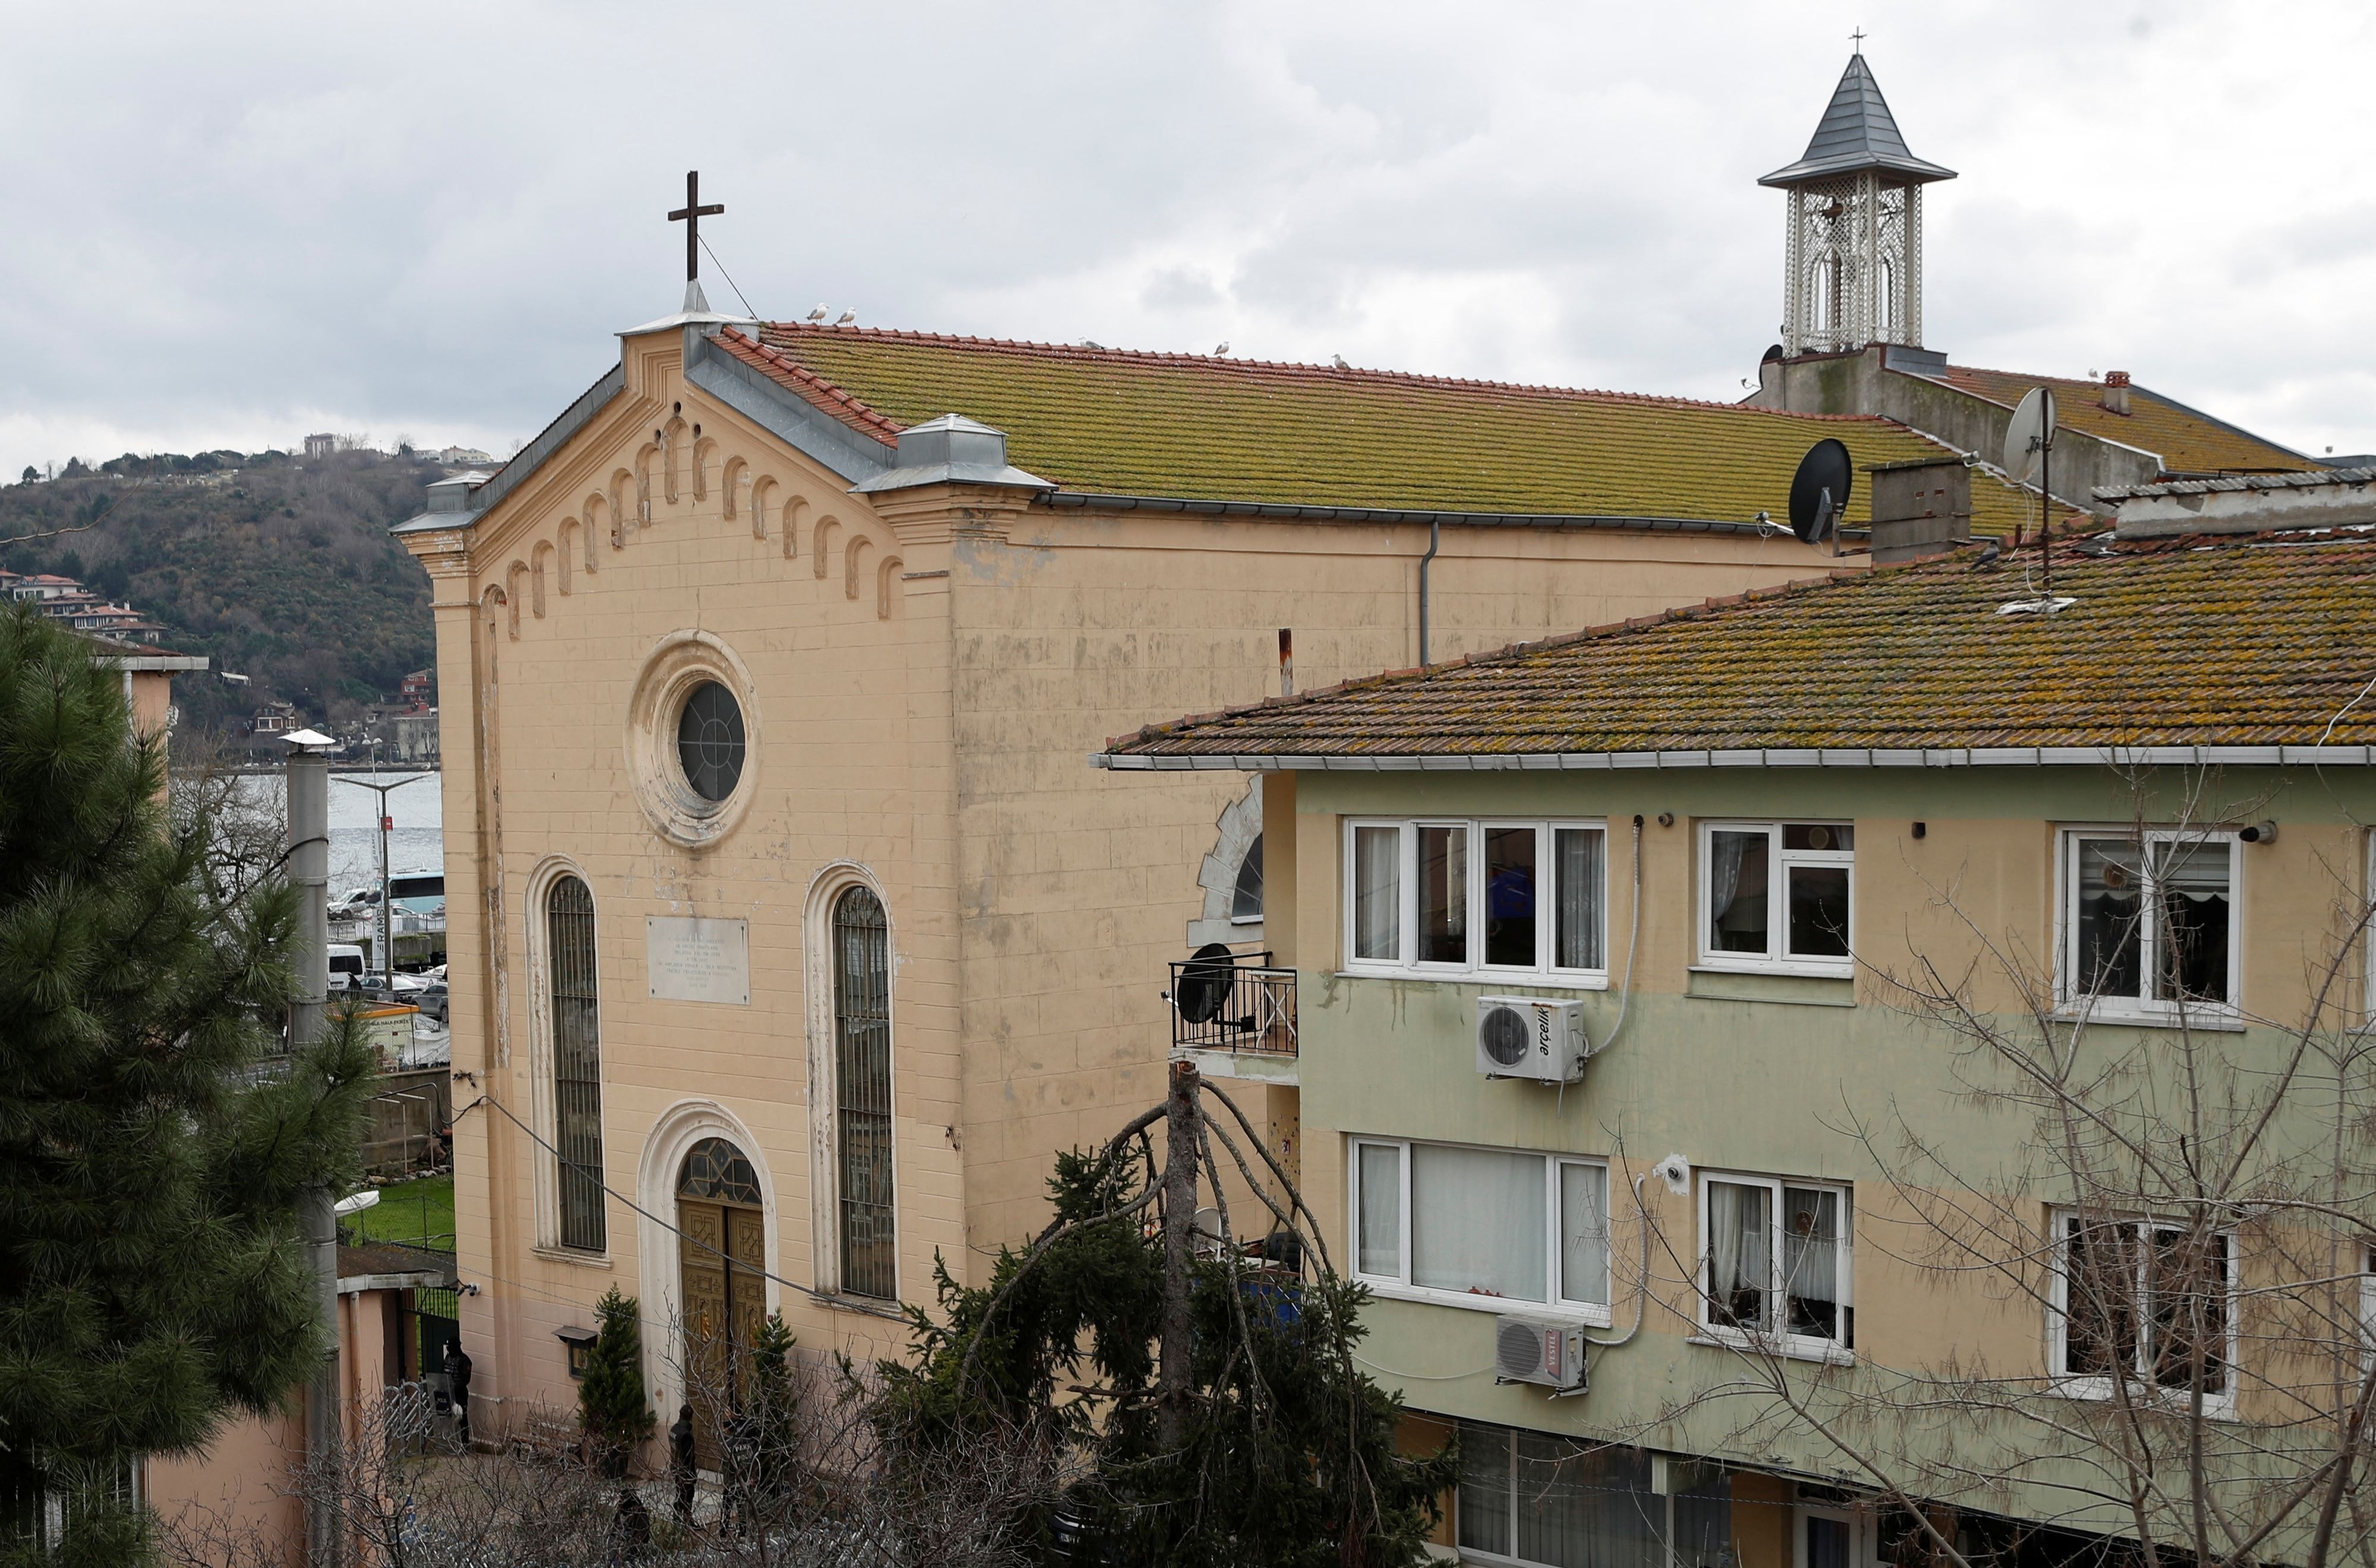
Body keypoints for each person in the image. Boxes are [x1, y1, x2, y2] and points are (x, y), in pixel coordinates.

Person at [668, 1403, 697, 1526]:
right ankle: (683, 1520)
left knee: (680, 1494)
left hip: (675, 1467)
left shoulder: (674, 1429)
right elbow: (688, 1458)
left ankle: (681, 1520)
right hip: (685, 1472)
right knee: (687, 1497)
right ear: (691, 1417)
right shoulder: (686, 1435)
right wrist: (692, 1475)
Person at [443, 1338, 473, 1448]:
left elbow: (465, 1379)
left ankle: (464, 1443)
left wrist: (454, 1387)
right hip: (448, 1393)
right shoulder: (448, 1358)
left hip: (460, 1393)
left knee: (462, 1418)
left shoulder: (464, 1361)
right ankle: (448, 1440)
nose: (448, 1350)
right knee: (446, 1416)